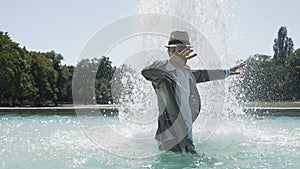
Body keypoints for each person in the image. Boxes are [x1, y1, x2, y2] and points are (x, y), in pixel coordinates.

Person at [141, 30, 245, 154]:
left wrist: (227, 72)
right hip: (170, 138)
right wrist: (171, 64)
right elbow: (146, 71)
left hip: (186, 138)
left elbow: (204, 74)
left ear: (188, 51)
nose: (177, 54)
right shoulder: (163, 74)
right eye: (174, 50)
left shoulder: (188, 73)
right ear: (169, 52)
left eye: (181, 50)